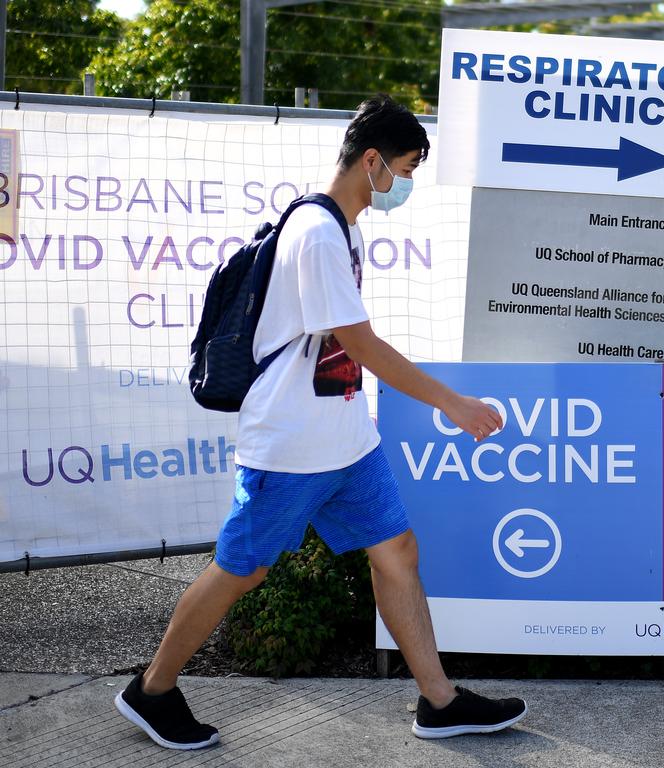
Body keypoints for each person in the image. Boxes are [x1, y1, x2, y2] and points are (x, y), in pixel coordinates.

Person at [114, 94, 527, 750]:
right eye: (407, 167)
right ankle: (153, 689)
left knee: (397, 551)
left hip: (345, 440)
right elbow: (357, 343)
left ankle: (440, 702)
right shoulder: (315, 232)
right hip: (290, 445)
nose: (407, 183)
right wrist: (453, 403)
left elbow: (339, 353)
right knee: (244, 567)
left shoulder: (344, 229)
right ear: (372, 161)